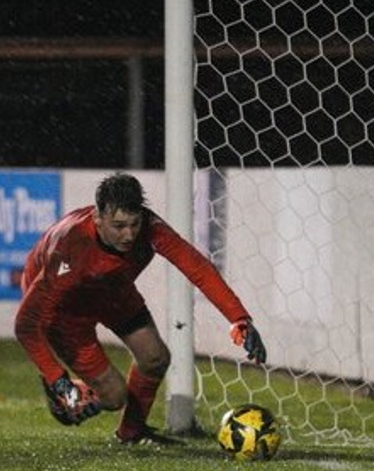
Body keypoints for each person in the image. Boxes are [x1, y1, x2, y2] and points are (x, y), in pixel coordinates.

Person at [13, 172, 267, 445]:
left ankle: (131, 434)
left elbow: (197, 267)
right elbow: (26, 325)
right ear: (98, 219)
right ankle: (65, 396)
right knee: (114, 397)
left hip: (113, 290)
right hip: (66, 311)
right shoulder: (70, 246)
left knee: (156, 357)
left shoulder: (151, 228)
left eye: (134, 224)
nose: (129, 234)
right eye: (119, 226)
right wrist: (56, 378)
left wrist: (238, 318)